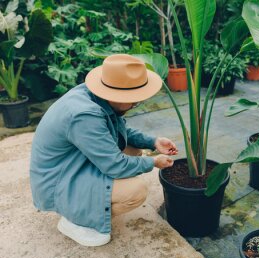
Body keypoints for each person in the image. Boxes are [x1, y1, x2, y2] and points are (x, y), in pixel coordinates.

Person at [30, 54, 177, 247]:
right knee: (136, 191)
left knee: (133, 151)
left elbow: (119, 129)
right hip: (58, 180)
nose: (135, 105)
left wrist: (153, 142)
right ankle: (75, 221)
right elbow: (116, 165)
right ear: (116, 94)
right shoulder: (85, 115)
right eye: (133, 101)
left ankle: (87, 204)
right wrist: (154, 162)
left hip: (72, 162)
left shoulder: (95, 96)